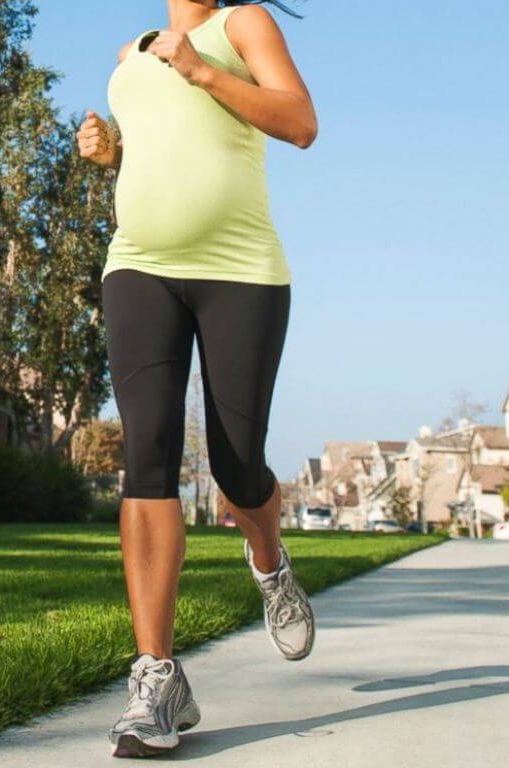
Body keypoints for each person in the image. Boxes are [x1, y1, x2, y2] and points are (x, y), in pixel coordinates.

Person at [77, 0, 318, 758]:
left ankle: (269, 561)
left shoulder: (241, 26)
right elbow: (166, 147)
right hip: (137, 263)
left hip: (239, 269)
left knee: (233, 464)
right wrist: (109, 156)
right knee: (144, 455)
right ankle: (156, 679)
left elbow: (299, 122)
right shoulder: (128, 57)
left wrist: (201, 69)